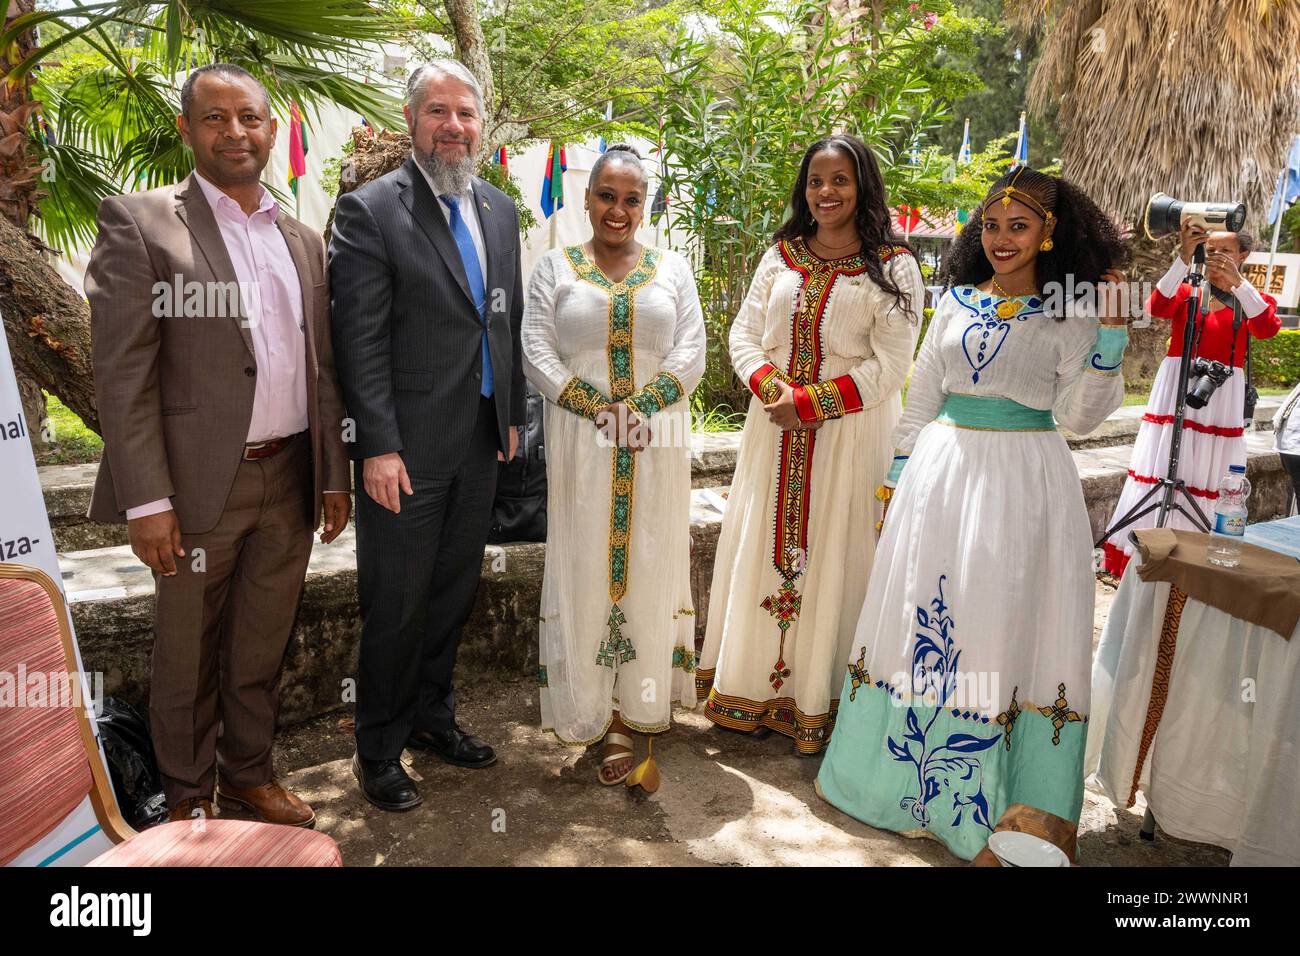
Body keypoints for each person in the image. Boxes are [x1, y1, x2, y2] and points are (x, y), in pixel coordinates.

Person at [816, 166, 1131, 861]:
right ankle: (901, 785)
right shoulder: (956, 300)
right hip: (940, 477)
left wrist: (1111, 338)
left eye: (1018, 226)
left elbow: (1078, 418)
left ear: (1050, 235)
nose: (1001, 239)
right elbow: (921, 393)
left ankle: (989, 801)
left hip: (1025, 484)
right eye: (991, 225)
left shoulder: (1072, 311)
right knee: (926, 617)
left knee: (999, 623)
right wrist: (895, 484)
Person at [86, 63, 351, 825]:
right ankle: (185, 797)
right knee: (187, 654)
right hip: (199, 486)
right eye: (215, 118)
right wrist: (147, 499)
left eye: (250, 118)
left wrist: (332, 472)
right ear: (187, 129)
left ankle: (247, 775)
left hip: (289, 477)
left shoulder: (300, 237)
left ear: (273, 128)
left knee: (260, 646)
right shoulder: (140, 223)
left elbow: (320, 369)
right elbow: (123, 375)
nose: (235, 132)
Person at [329, 60, 524, 812]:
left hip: (478, 441)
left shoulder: (501, 211)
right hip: (403, 453)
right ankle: (377, 746)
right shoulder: (372, 211)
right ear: (410, 121)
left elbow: (496, 322)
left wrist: (509, 414)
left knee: (452, 594)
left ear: (481, 125)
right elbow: (360, 341)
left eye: (466, 113)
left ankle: (432, 718)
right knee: (397, 601)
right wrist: (374, 445)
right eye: (437, 111)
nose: (453, 126)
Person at [696, 135, 924, 755]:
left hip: (851, 436)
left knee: (838, 554)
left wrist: (813, 403)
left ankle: (820, 700)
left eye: (841, 180)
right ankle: (753, 688)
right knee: (763, 549)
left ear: (862, 186)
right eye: (816, 181)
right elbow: (743, 334)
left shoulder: (894, 265)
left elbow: (891, 365)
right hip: (772, 431)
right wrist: (775, 389)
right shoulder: (781, 255)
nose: (827, 193)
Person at [522, 144, 706, 782]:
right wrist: (597, 407)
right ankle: (589, 708)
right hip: (580, 443)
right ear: (587, 198)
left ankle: (636, 712)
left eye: (632, 198)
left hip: (657, 444)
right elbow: (536, 351)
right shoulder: (555, 270)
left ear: (644, 204)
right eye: (607, 195)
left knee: (649, 561)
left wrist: (641, 407)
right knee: (585, 559)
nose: (618, 209)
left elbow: (692, 352)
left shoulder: (672, 271)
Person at [1100, 223, 1279, 577]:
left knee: (1211, 469)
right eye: (1210, 251)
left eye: (1226, 252)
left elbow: (1267, 328)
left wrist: (1239, 284)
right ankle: (1144, 546)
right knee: (1164, 458)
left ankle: (1196, 552)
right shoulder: (1189, 290)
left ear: (1243, 255)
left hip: (1221, 392)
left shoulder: (1251, 297)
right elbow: (1157, 307)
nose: (1217, 259)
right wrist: (1183, 257)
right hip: (1176, 386)